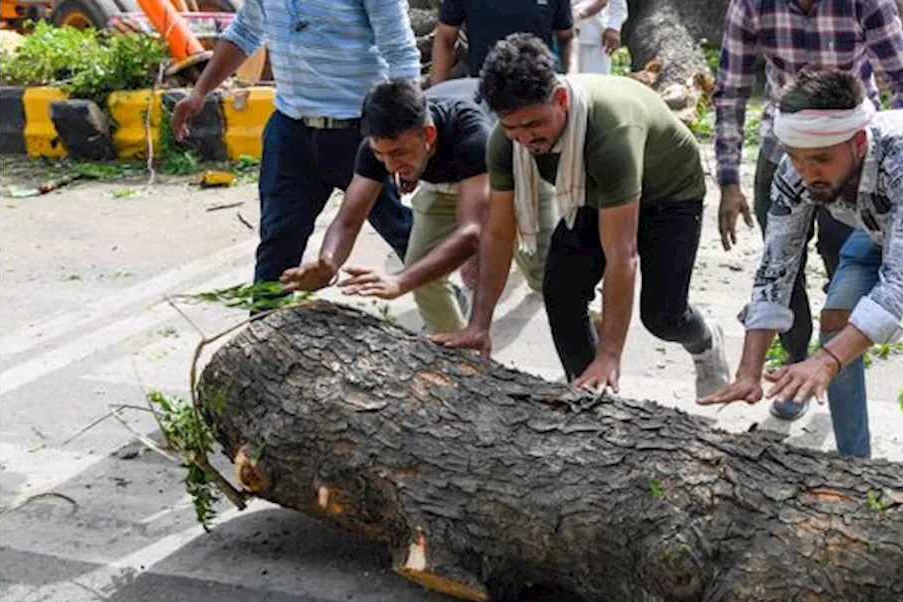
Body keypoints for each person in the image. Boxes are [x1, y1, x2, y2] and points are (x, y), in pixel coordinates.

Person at [699, 67, 903, 459]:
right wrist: (749, 370)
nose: (808, 173)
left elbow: (899, 285)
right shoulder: (797, 171)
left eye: (822, 160)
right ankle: (853, 466)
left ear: (859, 141)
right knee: (836, 324)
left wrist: (826, 362)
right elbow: (775, 268)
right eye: (797, 159)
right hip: (879, 225)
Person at [432, 33, 731, 397]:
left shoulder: (610, 134)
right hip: (590, 194)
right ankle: (588, 392)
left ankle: (704, 340)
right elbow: (497, 233)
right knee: (560, 288)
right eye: (513, 127)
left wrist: (610, 353)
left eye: (534, 124)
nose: (525, 138)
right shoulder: (503, 142)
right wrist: (479, 324)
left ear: (560, 99)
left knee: (663, 316)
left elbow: (622, 255)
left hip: (669, 193)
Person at [714, 0, 903, 422]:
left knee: (845, 274)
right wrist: (729, 180)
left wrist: (888, 157)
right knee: (779, 267)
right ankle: (793, 367)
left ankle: (834, 365)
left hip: (851, 158)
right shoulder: (751, 6)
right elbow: (732, 90)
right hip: (783, 149)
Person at [171, 0, 419, 309]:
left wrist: (407, 141)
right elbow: (245, 32)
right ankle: (264, 336)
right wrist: (199, 92)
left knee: (402, 231)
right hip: (291, 132)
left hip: (360, 131)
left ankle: (452, 316)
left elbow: (401, 54)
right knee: (278, 245)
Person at [279, 78, 554, 332]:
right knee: (422, 269)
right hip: (443, 187)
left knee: (549, 275)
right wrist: (328, 262)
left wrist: (400, 282)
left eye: (399, 153)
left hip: (511, 175)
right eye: (380, 155)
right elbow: (349, 219)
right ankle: (458, 362)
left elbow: (472, 232)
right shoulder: (379, 145)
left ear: (429, 134)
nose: (389, 165)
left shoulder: (472, 134)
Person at [431, 0, 577, 86]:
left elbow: (567, 37)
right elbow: (445, 38)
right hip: (484, 91)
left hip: (539, 91)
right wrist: (436, 92)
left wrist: (572, 79)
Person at [574, 0, 627, 74]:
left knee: (595, 81)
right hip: (559, 32)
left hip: (594, 34)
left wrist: (613, 26)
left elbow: (617, 3)